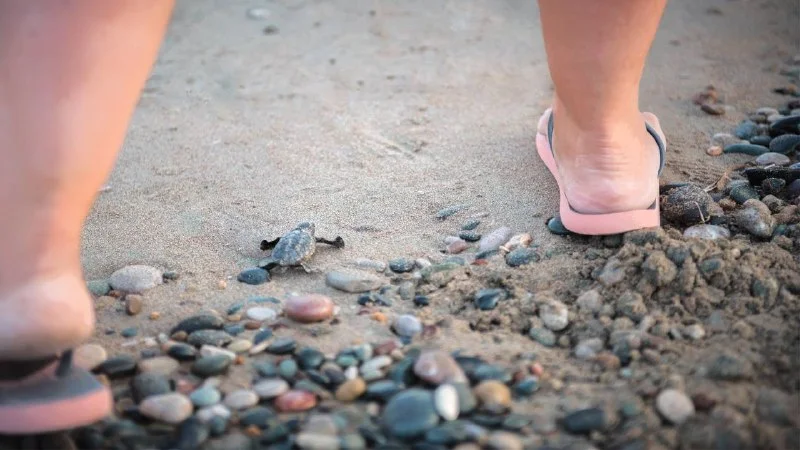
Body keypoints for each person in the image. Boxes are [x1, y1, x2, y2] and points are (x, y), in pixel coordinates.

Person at [0, 0, 667, 433]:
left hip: (285, 258)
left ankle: (29, 278)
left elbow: (288, 244)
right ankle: (603, 147)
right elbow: (304, 242)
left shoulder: (291, 245)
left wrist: (284, 254)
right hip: (292, 256)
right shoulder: (304, 242)